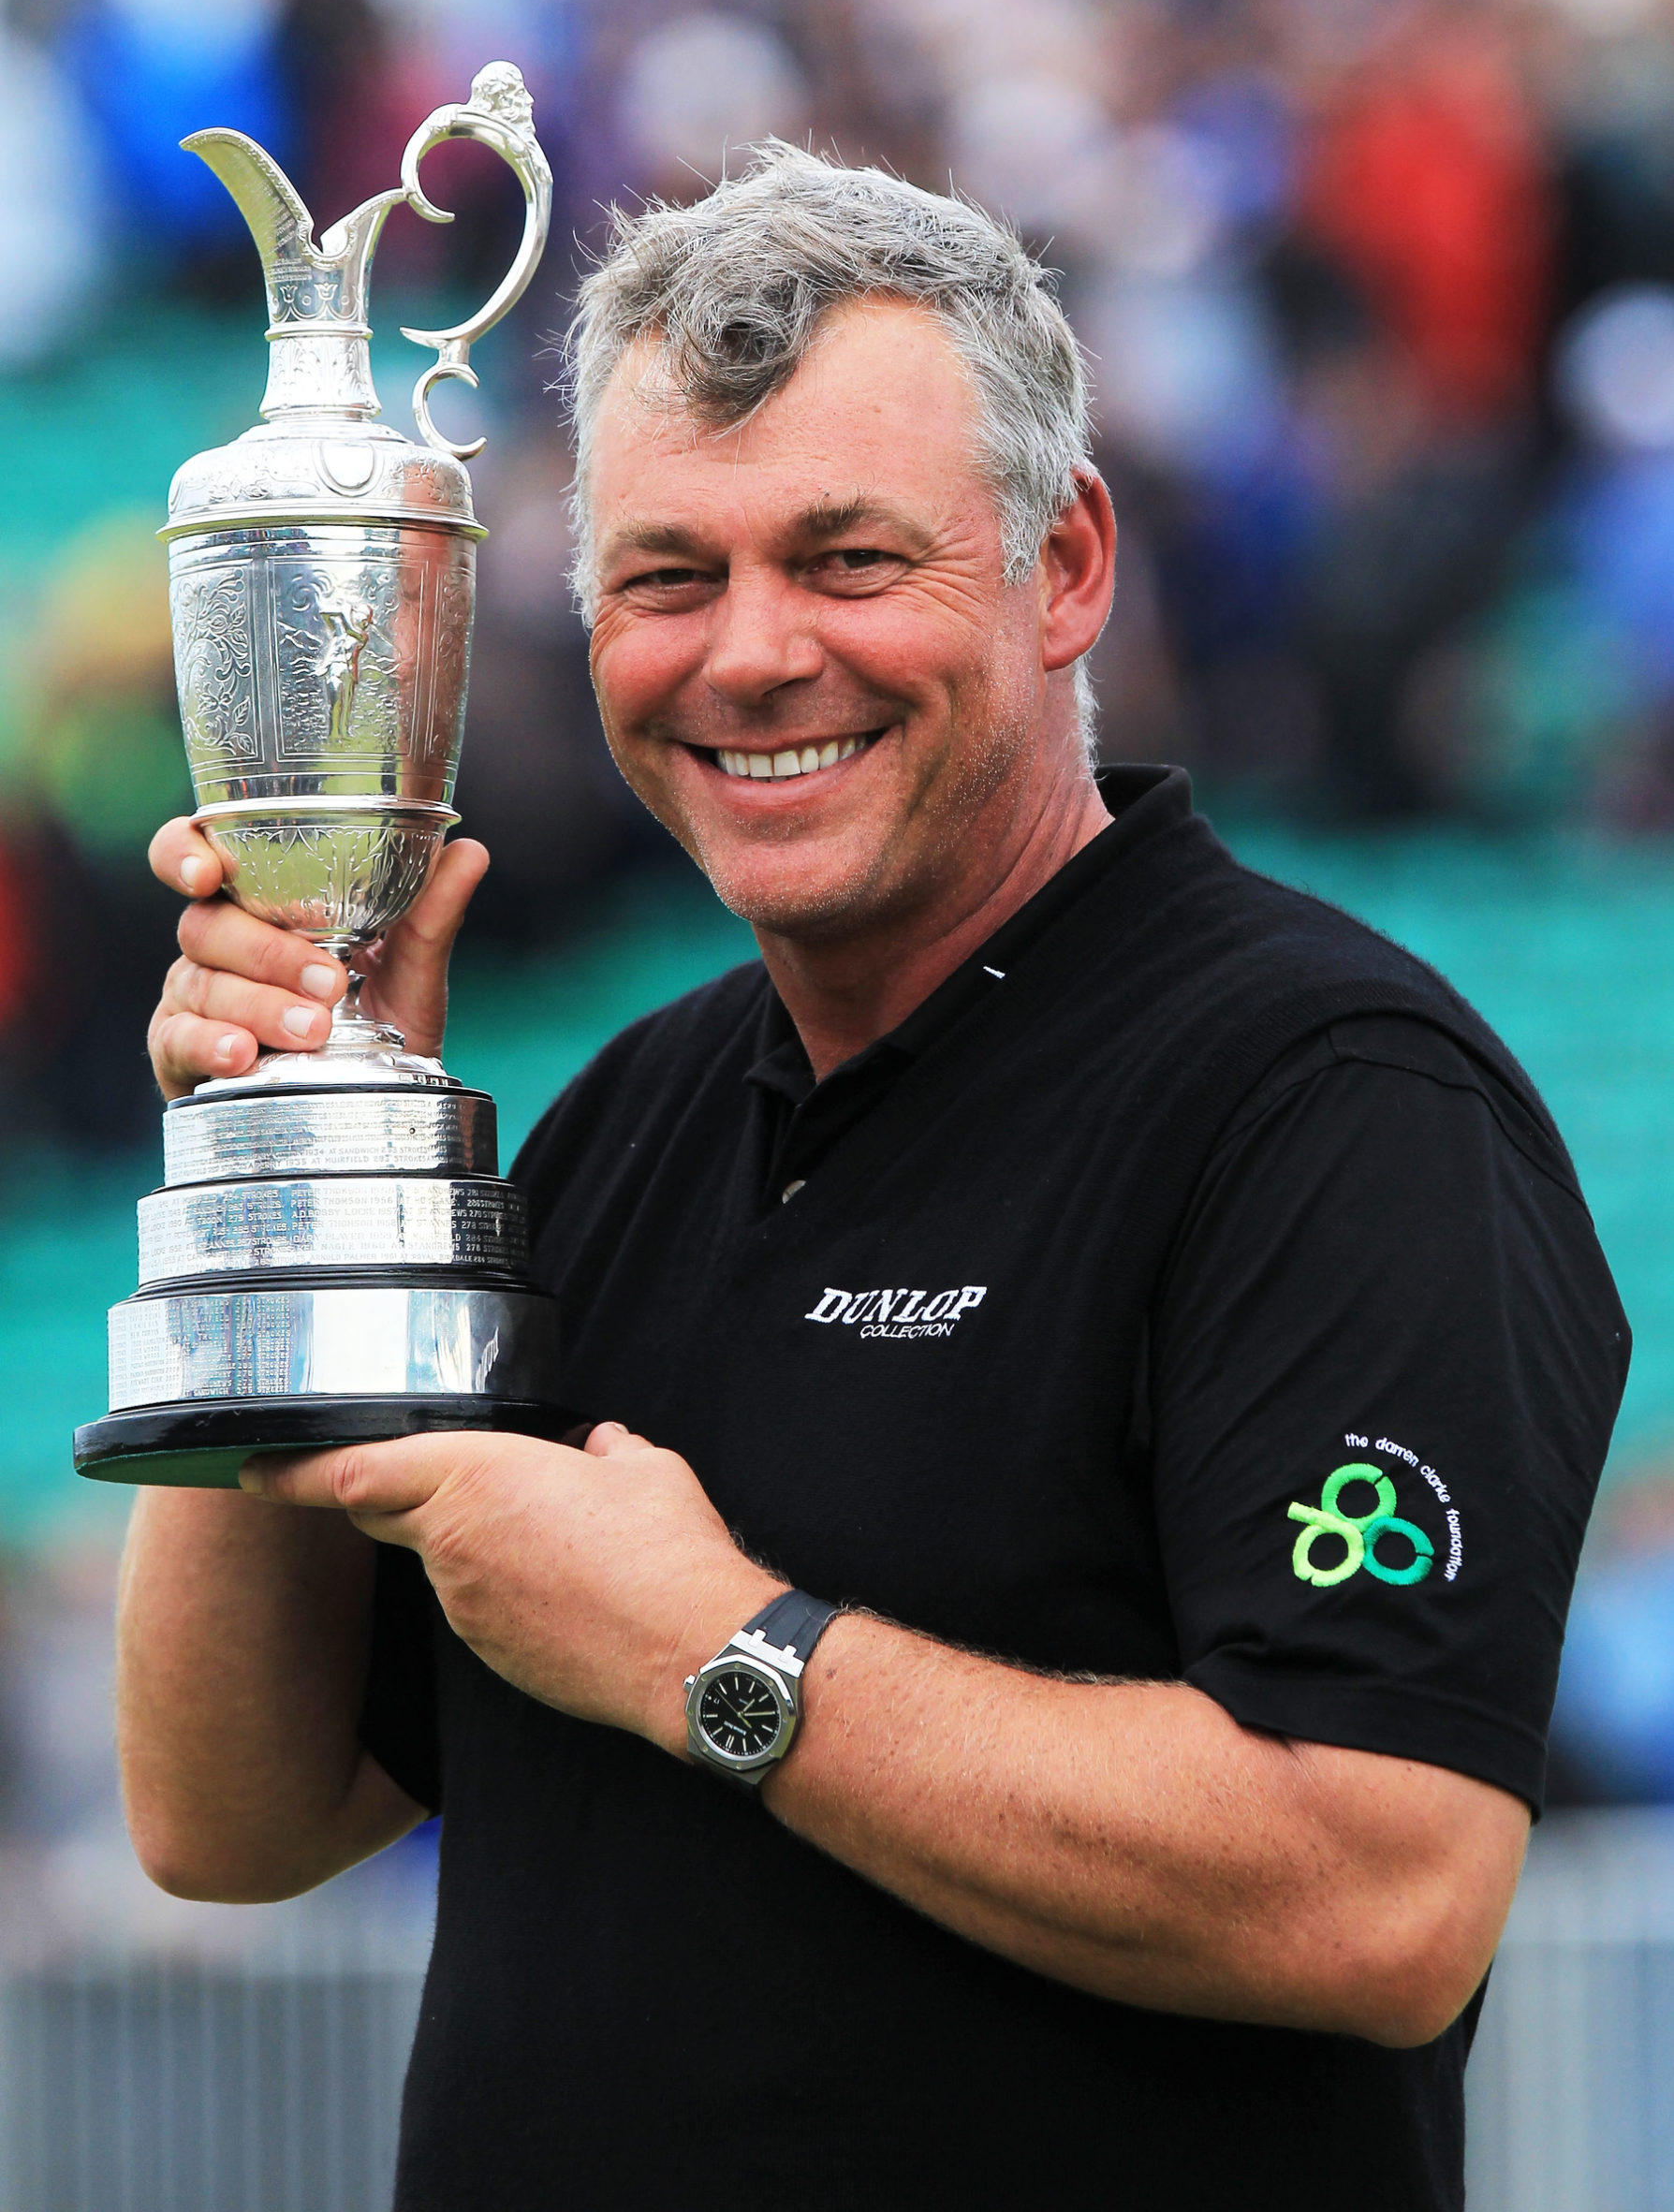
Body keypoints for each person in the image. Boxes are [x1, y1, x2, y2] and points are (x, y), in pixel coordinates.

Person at [120, 147, 1626, 2211]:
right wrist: (283, 1142)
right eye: (669, 575)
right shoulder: (616, 1120)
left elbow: (1382, 1889)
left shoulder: (1335, 1098)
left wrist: (721, 1649)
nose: (751, 654)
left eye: (847, 558)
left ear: (1065, 562)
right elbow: (235, 1809)